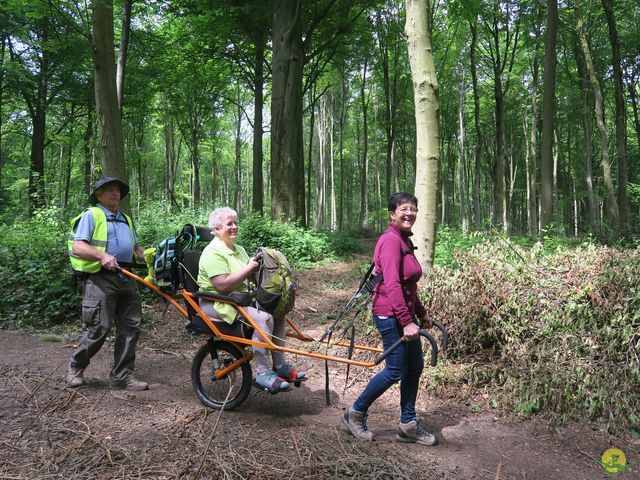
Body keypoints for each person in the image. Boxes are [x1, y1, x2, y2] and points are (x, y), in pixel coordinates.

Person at [341, 192, 438, 445]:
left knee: (414, 367)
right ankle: (355, 412)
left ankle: (408, 424)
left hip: (404, 314)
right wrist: (407, 321)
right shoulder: (391, 241)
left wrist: (421, 313)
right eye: (403, 209)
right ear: (392, 214)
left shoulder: (404, 240)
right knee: (395, 370)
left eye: (413, 209)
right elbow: (393, 285)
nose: (409, 213)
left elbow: (408, 287)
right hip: (389, 314)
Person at [197, 207, 306, 393]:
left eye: (235, 223)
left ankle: (279, 366)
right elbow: (223, 286)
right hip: (216, 303)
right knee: (264, 319)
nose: (234, 227)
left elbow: (251, 276)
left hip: (238, 300)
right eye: (229, 224)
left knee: (278, 313)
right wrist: (249, 269)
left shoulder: (237, 249)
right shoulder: (212, 252)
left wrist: (274, 282)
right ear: (216, 228)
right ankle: (263, 373)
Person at [65, 177, 148, 391]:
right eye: (109, 190)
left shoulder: (126, 219)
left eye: (118, 190)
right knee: (99, 327)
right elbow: (78, 247)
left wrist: (147, 255)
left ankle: (122, 376)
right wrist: (102, 256)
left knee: (131, 328)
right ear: (99, 195)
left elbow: (137, 249)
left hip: (127, 277)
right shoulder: (92, 215)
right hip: (101, 278)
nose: (115, 193)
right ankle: (76, 367)